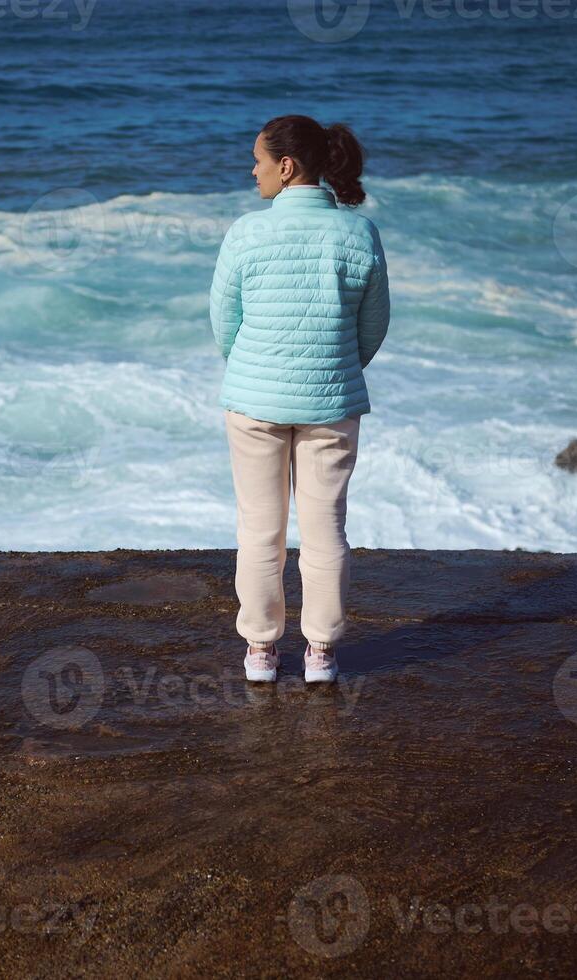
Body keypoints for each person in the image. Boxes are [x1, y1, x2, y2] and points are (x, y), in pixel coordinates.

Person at [209, 114, 390, 685]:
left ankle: (261, 652)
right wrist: (331, 369)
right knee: (324, 528)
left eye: (258, 161)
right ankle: (321, 654)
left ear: (286, 168)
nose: (252, 170)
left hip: (254, 404)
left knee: (260, 531)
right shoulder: (359, 234)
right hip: (332, 403)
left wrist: (257, 373)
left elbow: (224, 324)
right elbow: (373, 327)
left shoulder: (245, 232)